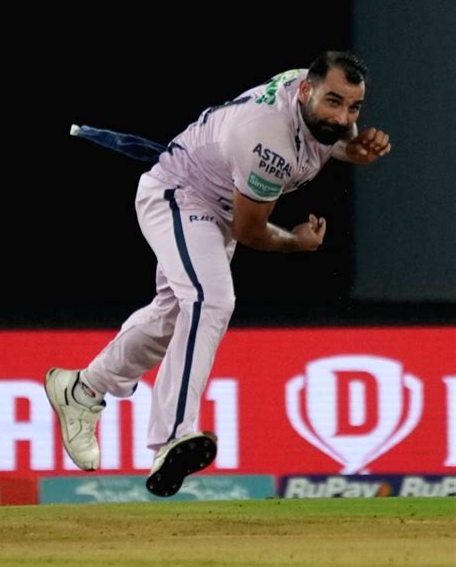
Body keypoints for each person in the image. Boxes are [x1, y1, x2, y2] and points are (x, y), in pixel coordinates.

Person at [45, 50, 391, 497]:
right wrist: (297, 241)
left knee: (170, 319)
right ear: (305, 90)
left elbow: (328, 136)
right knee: (210, 300)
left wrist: (351, 150)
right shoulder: (269, 143)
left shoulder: (308, 96)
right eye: (334, 102)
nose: (344, 116)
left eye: (354, 107)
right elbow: (249, 230)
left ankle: (81, 389)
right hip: (179, 196)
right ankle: (172, 437)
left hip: (217, 208)